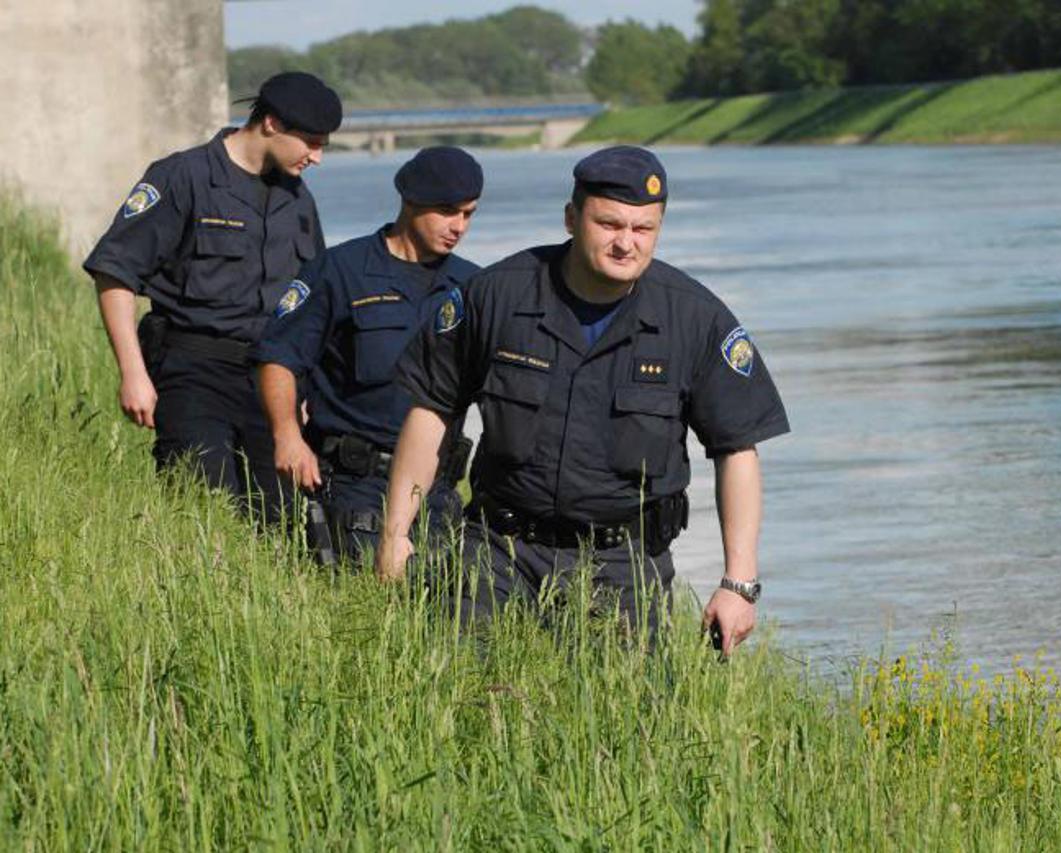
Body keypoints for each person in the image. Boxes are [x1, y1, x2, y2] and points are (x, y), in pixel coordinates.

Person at [375, 145, 789, 655]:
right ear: (571, 218)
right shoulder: (497, 296)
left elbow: (737, 449)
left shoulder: (695, 319)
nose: (626, 244)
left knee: (622, 725)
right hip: (496, 554)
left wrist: (738, 583)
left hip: (622, 568)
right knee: (465, 703)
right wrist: (396, 532)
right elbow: (433, 410)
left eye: (643, 229)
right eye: (610, 225)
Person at [83, 71, 342, 523]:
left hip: (272, 383)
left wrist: (307, 393)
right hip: (193, 372)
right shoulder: (183, 176)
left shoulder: (297, 199)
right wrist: (133, 374)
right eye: (312, 143)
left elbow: (308, 305)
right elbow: (115, 275)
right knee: (203, 514)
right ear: (272, 125)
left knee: (278, 523)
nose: (318, 158)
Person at [253, 147, 484, 563]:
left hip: (437, 491)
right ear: (410, 202)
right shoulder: (340, 271)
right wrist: (287, 436)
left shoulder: (473, 285)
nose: (459, 226)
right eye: (448, 212)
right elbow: (279, 357)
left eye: (468, 214)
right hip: (355, 485)